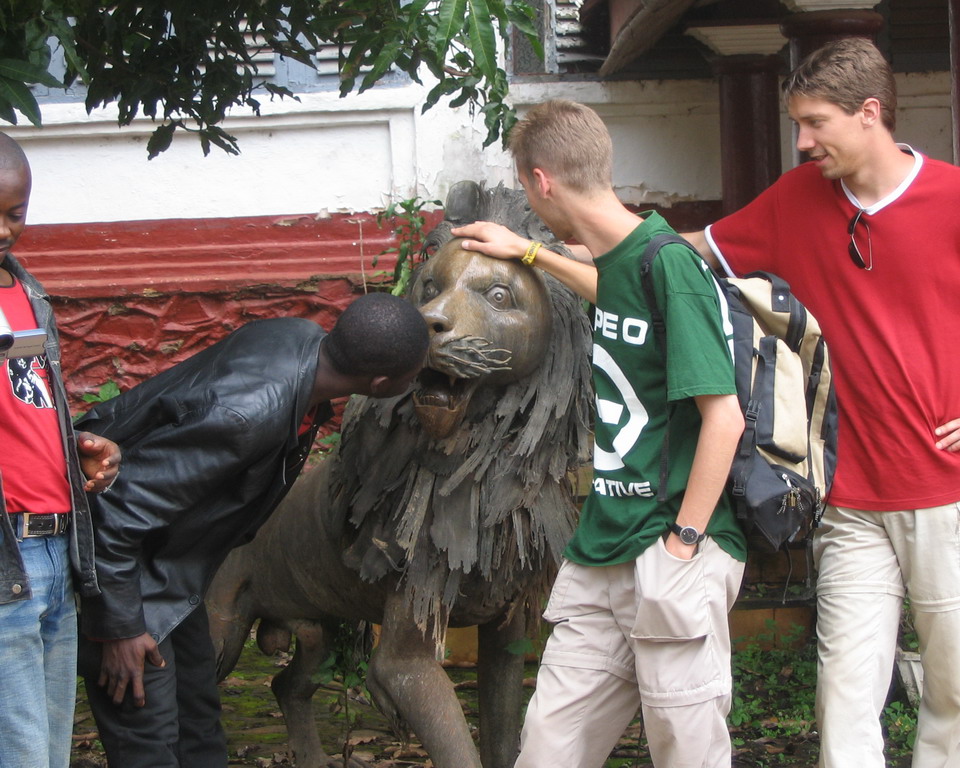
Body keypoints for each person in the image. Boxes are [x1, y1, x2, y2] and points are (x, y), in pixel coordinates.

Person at [678, 38, 960, 768]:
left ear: (870, 113)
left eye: (815, 123)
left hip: (951, 502)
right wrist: (559, 247)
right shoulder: (795, 201)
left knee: (950, 702)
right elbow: (685, 255)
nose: (801, 141)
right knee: (843, 699)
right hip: (850, 504)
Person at [453, 99, 747, 767]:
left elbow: (722, 417)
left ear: (541, 183)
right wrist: (529, 250)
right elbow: (606, 291)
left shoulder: (670, 265)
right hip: (601, 549)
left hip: (672, 545)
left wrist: (683, 547)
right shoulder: (624, 264)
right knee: (548, 751)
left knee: (688, 755)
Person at [75, 291, 429, 768]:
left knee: (198, 729)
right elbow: (114, 510)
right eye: (411, 377)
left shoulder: (299, 337)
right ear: (381, 382)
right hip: (125, 579)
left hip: (172, 569)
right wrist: (118, 628)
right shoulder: (245, 418)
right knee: (149, 740)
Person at [0, 131, 121, 768]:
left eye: (13, 214)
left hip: (55, 549)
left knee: (47, 751)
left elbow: (28, 407)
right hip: (4, 558)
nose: (1, 230)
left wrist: (70, 449)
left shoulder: (28, 294)